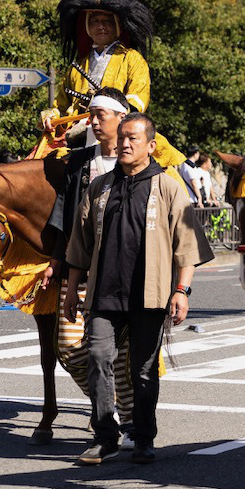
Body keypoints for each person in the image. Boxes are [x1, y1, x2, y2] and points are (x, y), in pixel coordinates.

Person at [63, 113, 213, 465]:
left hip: (151, 294)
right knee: (98, 357)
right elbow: (79, 246)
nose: (125, 144)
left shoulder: (168, 187)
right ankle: (105, 436)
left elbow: (186, 245)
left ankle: (144, 438)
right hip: (103, 293)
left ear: (151, 145)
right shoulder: (100, 188)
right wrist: (71, 291)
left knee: (143, 370)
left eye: (133, 138)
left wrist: (182, 291)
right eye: (122, 138)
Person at [44, 88, 137, 436]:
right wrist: (56, 260)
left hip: (123, 274)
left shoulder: (137, 162)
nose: (93, 121)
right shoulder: (80, 160)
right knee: (68, 349)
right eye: (91, 114)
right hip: (79, 269)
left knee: (123, 355)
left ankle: (128, 423)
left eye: (101, 115)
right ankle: (106, 405)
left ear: (121, 118)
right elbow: (63, 214)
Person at [39, 0, 187, 173]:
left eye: (107, 21)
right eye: (95, 21)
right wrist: (51, 116)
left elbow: (138, 99)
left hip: (118, 128)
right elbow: (60, 104)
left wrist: (111, 112)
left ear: (118, 26)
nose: (101, 26)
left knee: (166, 172)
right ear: (87, 27)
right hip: (76, 130)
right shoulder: (78, 65)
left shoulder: (132, 59)